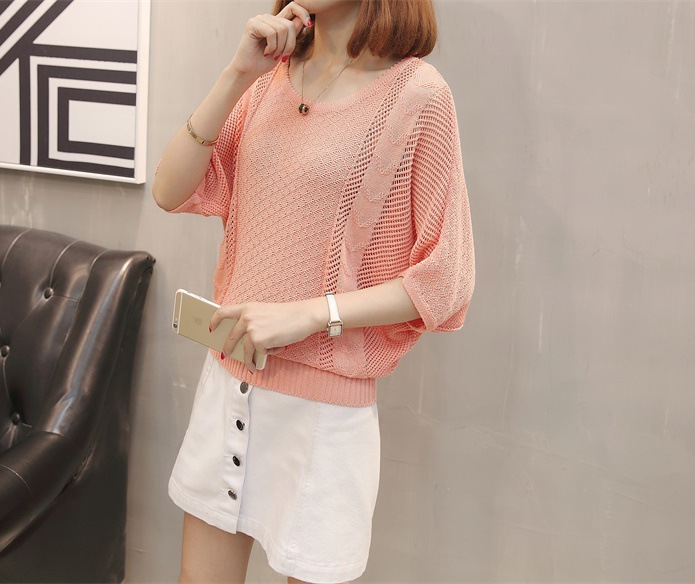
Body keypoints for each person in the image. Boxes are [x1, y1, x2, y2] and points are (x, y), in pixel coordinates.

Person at [153, 0, 475, 582]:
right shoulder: (266, 79)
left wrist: (311, 314)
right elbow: (169, 190)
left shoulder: (418, 96)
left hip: (322, 415)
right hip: (229, 385)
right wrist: (237, 73)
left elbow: (444, 279)